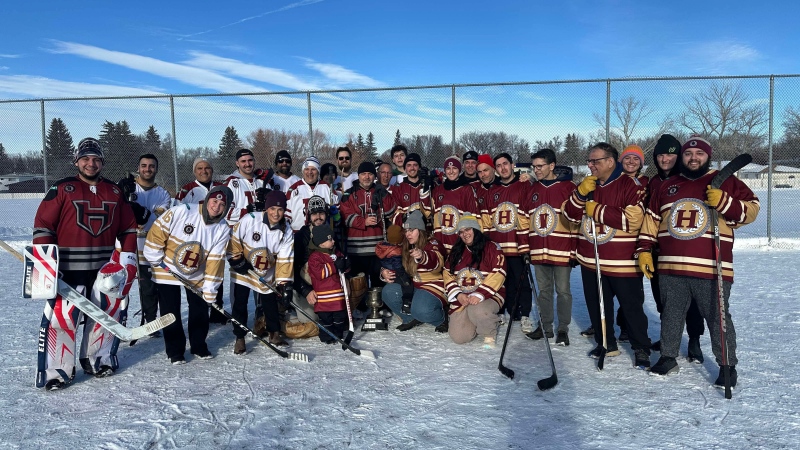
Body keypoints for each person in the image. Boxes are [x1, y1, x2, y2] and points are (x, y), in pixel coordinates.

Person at [639, 136, 759, 386]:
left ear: (708, 156)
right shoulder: (667, 184)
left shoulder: (725, 181)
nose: (693, 158)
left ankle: (727, 366)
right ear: (681, 157)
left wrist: (725, 203)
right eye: (688, 154)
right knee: (670, 314)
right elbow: (651, 219)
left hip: (712, 267)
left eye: (699, 154)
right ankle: (668, 356)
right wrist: (644, 249)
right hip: (671, 266)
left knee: (718, 317)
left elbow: (752, 209)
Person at [33, 137, 139, 390]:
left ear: (102, 162)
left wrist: (128, 261)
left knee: (106, 314)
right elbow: (43, 226)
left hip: (104, 269)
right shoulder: (61, 189)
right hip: (69, 269)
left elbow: (128, 229)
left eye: (95, 159)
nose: (91, 164)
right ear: (77, 161)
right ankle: (56, 371)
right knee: (62, 318)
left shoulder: (114, 192)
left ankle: (98, 359)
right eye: (85, 159)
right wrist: (46, 264)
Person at [562, 142, 652, 368]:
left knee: (631, 307)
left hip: (622, 262)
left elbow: (633, 220)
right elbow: (569, 216)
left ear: (610, 162)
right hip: (590, 260)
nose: (590, 165)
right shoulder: (588, 185)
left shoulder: (631, 185)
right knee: (597, 305)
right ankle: (606, 343)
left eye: (595, 161)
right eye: (589, 161)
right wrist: (580, 193)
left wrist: (597, 210)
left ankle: (640, 346)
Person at [144, 185, 233, 364]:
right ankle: (175, 350)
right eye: (214, 201)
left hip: (196, 273)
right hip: (167, 267)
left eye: (222, 204)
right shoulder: (182, 211)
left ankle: (199, 345)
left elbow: (215, 261)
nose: (216, 206)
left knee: (200, 310)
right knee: (170, 311)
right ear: (208, 199)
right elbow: (158, 230)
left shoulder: (222, 228)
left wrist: (210, 288)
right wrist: (154, 253)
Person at [639, 135, 705, 357]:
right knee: (663, 299)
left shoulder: (688, 178)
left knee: (692, 301)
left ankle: (694, 340)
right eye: (660, 155)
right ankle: (669, 339)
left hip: (684, 250)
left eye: (669, 154)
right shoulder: (654, 182)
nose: (664, 158)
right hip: (659, 251)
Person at [227, 190, 294, 353]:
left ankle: (274, 333)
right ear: (266, 208)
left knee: (270, 303)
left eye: (280, 210)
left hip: (266, 271)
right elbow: (233, 240)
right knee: (240, 304)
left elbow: (285, 258)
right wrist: (237, 260)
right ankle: (240, 337)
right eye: (272, 209)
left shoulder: (286, 230)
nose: (276, 213)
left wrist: (284, 283)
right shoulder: (249, 220)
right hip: (244, 269)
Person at [526, 148, 578, 346]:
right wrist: (528, 248)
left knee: (563, 291)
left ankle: (563, 328)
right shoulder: (533, 188)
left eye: (540, 166)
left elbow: (575, 221)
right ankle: (545, 327)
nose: (537, 170)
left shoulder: (568, 187)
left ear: (552, 166)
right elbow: (526, 219)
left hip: (562, 250)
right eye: (534, 166)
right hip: (539, 250)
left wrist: (574, 250)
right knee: (544, 291)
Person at [117, 154, 172, 334]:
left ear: (156, 169)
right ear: (138, 167)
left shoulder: (162, 194)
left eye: (151, 166)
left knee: (149, 287)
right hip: (125, 245)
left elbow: (155, 220)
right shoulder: (128, 187)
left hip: (148, 246)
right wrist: (121, 196)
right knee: (117, 285)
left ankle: (150, 321)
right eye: (144, 166)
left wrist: (138, 211)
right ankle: (113, 320)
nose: (147, 169)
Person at [479, 152, 532, 335]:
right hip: (499, 248)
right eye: (499, 165)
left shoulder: (523, 186)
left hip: (517, 246)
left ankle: (524, 314)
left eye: (505, 164)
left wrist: (525, 245)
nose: (503, 168)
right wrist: (488, 247)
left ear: (512, 165)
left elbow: (526, 218)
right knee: (501, 282)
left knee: (521, 281)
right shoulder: (491, 191)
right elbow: (486, 222)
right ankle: (503, 311)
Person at [175, 157, 228, 325]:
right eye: (200, 168)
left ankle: (217, 310)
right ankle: (199, 314)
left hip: (216, 238)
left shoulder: (221, 188)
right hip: (194, 242)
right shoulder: (187, 190)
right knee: (195, 278)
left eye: (207, 168)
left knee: (216, 272)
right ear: (194, 171)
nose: (204, 171)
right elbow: (176, 214)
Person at [443, 215, 506, 348]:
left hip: (489, 295)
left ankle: (489, 332)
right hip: (464, 297)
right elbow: (447, 273)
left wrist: (479, 294)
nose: (465, 234)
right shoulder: (456, 251)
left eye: (468, 229)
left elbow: (499, 272)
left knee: (478, 310)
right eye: (461, 232)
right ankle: (478, 321)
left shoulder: (492, 247)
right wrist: (458, 294)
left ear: (476, 229)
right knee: (459, 337)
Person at [379, 211, 447, 332]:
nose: (408, 234)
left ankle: (441, 319)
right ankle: (410, 318)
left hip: (433, 286)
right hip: (413, 285)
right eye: (406, 231)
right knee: (388, 292)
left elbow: (437, 264)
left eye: (412, 230)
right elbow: (394, 263)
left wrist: (422, 256)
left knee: (421, 310)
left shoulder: (433, 243)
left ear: (420, 230)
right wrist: (384, 271)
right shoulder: (406, 244)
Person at [340, 162, 396, 288]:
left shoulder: (380, 191)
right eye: (363, 174)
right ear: (358, 176)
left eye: (370, 174)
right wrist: (363, 221)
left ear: (374, 176)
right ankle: (360, 306)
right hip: (357, 249)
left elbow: (390, 211)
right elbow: (345, 216)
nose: (367, 177)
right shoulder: (349, 194)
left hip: (378, 247)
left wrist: (384, 193)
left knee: (379, 280)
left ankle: (380, 305)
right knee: (359, 282)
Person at [614, 144, 648, 342]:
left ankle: (627, 324)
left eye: (636, 159)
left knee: (632, 290)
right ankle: (601, 321)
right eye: (627, 158)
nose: (631, 162)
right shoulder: (613, 181)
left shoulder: (646, 183)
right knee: (609, 286)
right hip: (614, 239)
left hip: (636, 240)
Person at [307, 223, 350, 343]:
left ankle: (338, 334)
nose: (334, 241)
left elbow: (344, 268)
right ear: (321, 243)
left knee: (339, 317)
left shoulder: (336, 253)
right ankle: (327, 336)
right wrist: (335, 266)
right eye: (330, 239)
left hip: (338, 297)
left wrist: (346, 264)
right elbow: (319, 273)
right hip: (324, 299)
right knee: (326, 320)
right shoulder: (315, 257)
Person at [431, 156, 479, 255]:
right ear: (444, 170)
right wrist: (425, 189)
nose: (451, 171)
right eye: (448, 168)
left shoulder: (467, 189)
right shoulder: (438, 190)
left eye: (455, 168)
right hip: (441, 242)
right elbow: (428, 212)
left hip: (460, 243)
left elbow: (474, 217)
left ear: (460, 170)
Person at [286, 156, 337, 233]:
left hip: (324, 236)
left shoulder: (328, 188)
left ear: (318, 171)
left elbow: (337, 214)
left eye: (313, 169)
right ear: (303, 171)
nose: (310, 172)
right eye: (307, 169)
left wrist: (336, 216)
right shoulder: (293, 190)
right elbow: (287, 218)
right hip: (300, 236)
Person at [224, 148, 273, 226]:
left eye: (250, 160)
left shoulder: (263, 182)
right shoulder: (231, 182)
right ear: (237, 163)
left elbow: (275, 208)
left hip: (261, 228)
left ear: (254, 161)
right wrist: (247, 211)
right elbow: (224, 211)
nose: (247, 164)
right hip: (238, 230)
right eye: (243, 161)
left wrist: (270, 198)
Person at [391, 152, 431, 226]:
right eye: (409, 165)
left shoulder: (427, 185)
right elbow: (395, 217)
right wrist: (409, 216)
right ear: (405, 169)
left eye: (415, 165)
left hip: (426, 231)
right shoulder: (398, 189)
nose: (412, 168)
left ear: (419, 167)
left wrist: (427, 186)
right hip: (407, 232)